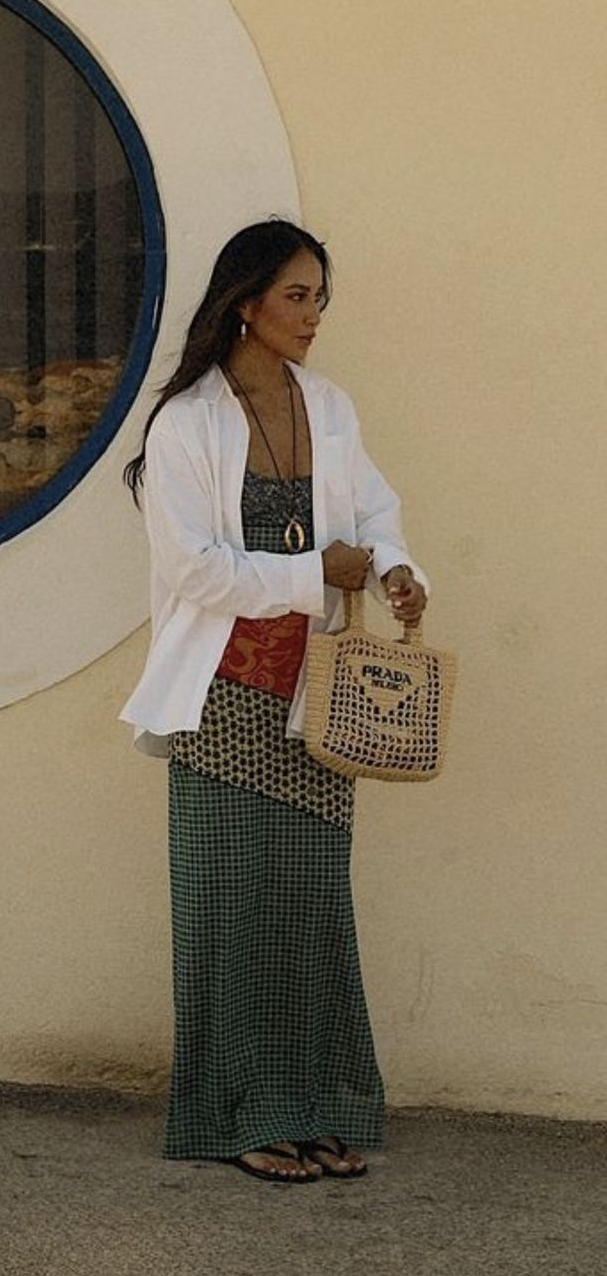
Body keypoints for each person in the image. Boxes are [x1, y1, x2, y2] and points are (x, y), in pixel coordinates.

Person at [119, 218, 429, 1185]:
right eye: (297, 295)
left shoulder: (328, 408)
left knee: (307, 910)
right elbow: (195, 572)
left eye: (320, 297)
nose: (314, 315)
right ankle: (235, 1115)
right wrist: (314, 572)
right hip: (219, 702)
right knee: (228, 913)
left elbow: (373, 510)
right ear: (245, 302)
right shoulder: (187, 423)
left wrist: (394, 567)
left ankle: (310, 1109)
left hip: (315, 704)